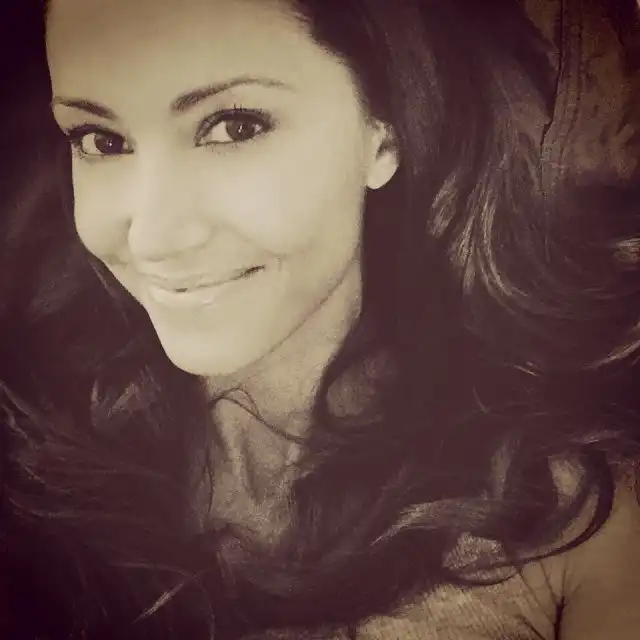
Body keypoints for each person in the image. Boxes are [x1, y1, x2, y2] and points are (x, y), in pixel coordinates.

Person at [2, 0, 640, 638]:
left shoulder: (571, 513)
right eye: (102, 141)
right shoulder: (29, 448)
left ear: (384, 132)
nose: (154, 237)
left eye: (235, 127)